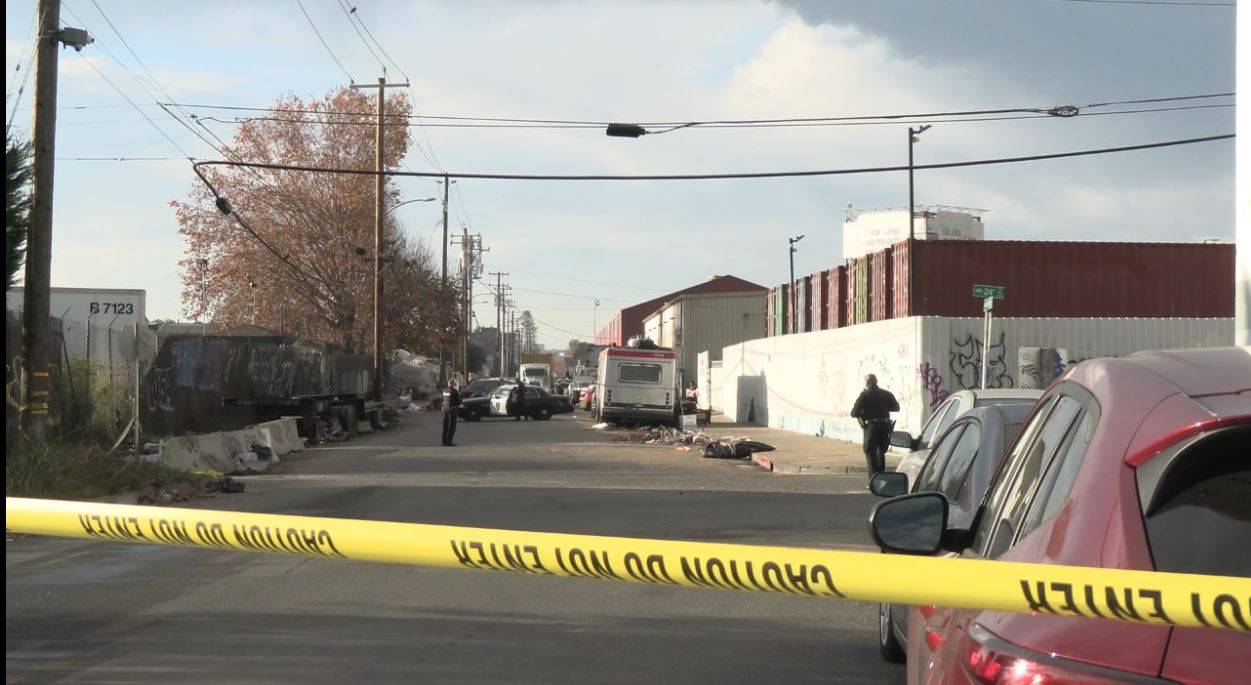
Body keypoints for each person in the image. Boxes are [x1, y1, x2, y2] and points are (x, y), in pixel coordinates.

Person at [849, 373, 899, 481]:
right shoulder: (886, 394)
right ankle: (882, 478)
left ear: (868, 383)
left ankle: (873, 480)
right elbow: (896, 407)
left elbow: (854, 413)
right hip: (885, 426)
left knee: (870, 452)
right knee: (881, 451)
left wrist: (864, 411)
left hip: (871, 427)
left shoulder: (864, 395)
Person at [441, 379, 462, 446]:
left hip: (445, 409)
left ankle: (444, 441)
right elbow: (459, 401)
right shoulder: (454, 391)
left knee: (445, 426)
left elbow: (442, 400)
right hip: (452, 410)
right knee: (452, 427)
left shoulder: (444, 391)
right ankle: (449, 442)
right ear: (453, 384)